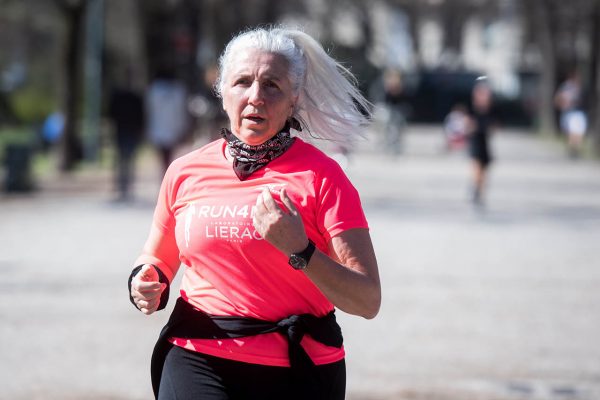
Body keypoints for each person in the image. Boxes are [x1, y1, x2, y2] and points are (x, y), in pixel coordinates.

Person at [128, 27, 381, 400]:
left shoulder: (323, 177)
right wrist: (146, 280)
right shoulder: (185, 171)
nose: (255, 97)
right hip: (198, 354)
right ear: (222, 92)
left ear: (294, 99)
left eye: (272, 85)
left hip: (298, 367)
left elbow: (367, 300)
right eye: (242, 82)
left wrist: (302, 250)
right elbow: (157, 258)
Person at [108, 71, 145, 201]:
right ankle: (123, 186)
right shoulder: (132, 97)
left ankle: (124, 187)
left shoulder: (131, 97)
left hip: (126, 131)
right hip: (124, 131)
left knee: (125, 159)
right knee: (125, 160)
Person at [146, 69, 189, 175]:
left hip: (158, 129)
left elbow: (150, 111)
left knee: (163, 158)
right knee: (170, 157)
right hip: (173, 128)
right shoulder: (177, 90)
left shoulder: (153, 90)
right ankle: (168, 175)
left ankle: (165, 176)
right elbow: (181, 112)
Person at [466, 80, 495, 206]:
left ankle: (479, 191)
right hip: (475, 141)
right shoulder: (471, 109)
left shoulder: (491, 110)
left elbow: (495, 126)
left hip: (485, 142)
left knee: (484, 171)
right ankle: (476, 191)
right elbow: (466, 124)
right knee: (476, 168)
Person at [554, 71, 587, 158]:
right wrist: (563, 105)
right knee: (572, 132)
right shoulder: (566, 87)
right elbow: (559, 99)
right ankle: (573, 149)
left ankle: (576, 149)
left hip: (579, 112)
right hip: (570, 113)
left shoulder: (580, 88)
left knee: (579, 132)